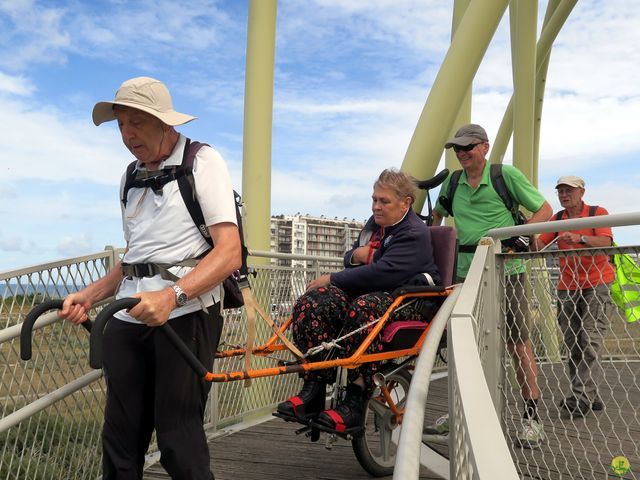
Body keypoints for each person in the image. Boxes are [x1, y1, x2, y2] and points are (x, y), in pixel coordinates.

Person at [59, 77, 241, 480]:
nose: (128, 134)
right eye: (122, 124)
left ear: (165, 123)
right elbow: (133, 259)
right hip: (127, 314)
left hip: (186, 314)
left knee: (179, 438)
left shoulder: (203, 162)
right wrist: (89, 295)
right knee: (120, 438)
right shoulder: (129, 176)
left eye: (137, 121)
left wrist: (173, 296)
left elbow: (230, 252)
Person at [276, 168, 441, 433]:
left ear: (405, 203)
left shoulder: (413, 232)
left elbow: (384, 273)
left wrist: (334, 277)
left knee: (363, 309)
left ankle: (356, 396)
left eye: (384, 201)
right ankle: (314, 387)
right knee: (312, 302)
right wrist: (359, 257)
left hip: (407, 300)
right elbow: (352, 255)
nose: (376, 206)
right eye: (374, 199)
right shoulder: (375, 225)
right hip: (372, 292)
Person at [427, 123, 553, 448]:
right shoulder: (453, 183)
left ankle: (531, 417)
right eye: (457, 149)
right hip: (464, 275)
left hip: (506, 270)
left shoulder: (504, 175)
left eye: (468, 147)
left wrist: (515, 235)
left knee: (517, 343)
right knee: (464, 346)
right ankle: (459, 414)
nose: (462, 153)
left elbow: (545, 209)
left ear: (484, 146)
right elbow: (436, 217)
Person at [534, 176, 614, 418]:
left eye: (569, 190)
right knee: (572, 340)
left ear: (582, 191)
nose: (564, 195)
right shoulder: (557, 219)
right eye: (560, 191)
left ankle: (581, 396)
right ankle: (590, 393)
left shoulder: (597, 212)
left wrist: (580, 238)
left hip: (597, 282)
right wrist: (524, 231)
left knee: (589, 338)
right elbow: (537, 246)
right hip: (567, 286)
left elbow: (606, 242)